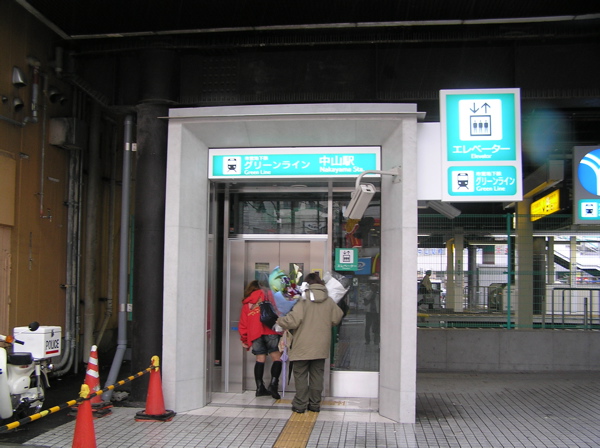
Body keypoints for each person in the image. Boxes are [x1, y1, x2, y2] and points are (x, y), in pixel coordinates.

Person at [276, 273, 344, 413]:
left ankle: (300, 405)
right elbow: (337, 317)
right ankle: (314, 404)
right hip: (321, 345)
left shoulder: (302, 299)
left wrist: (279, 320)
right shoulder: (329, 300)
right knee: (317, 375)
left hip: (302, 345)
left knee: (300, 375)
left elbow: (293, 321)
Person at [238, 280, 283, 399]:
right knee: (277, 359)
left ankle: (259, 388)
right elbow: (280, 313)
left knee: (260, 359)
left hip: (255, 334)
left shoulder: (248, 303)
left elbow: (243, 323)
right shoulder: (271, 296)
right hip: (271, 331)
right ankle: (273, 385)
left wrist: (244, 339)